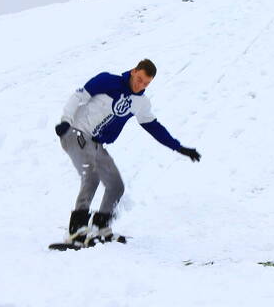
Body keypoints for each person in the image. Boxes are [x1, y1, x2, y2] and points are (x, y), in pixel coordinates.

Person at [55, 59, 201, 246]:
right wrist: (65, 120)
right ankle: (77, 231)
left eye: (146, 83)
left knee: (116, 186)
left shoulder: (140, 102)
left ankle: (101, 228)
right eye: (139, 79)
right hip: (75, 132)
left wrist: (178, 147)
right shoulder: (107, 80)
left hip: (96, 143)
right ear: (133, 71)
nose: (140, 85)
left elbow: (154, 127)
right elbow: (78, 96)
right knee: (92, 177)